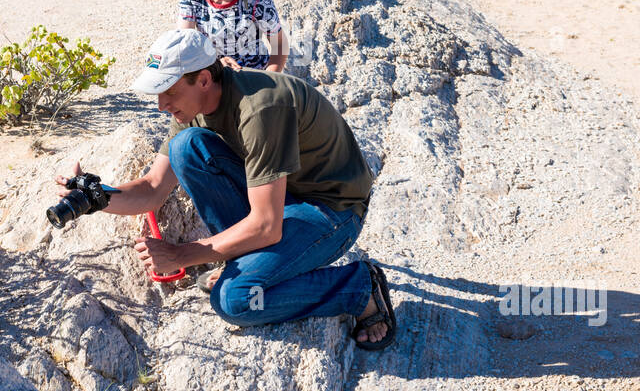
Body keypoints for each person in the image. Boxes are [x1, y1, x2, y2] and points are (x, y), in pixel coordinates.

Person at [55, 28, 395, 349]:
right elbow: (152, 188)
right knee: (186, 146)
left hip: (333, 211)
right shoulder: (192, 106)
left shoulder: (261, 108)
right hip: (279, 201)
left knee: (237, 300)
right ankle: (246, 258)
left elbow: (265, 225)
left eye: (169, 91)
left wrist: (181, 255)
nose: (161, 104)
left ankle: (359, 288)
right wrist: (94, 197)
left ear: (203, 79)